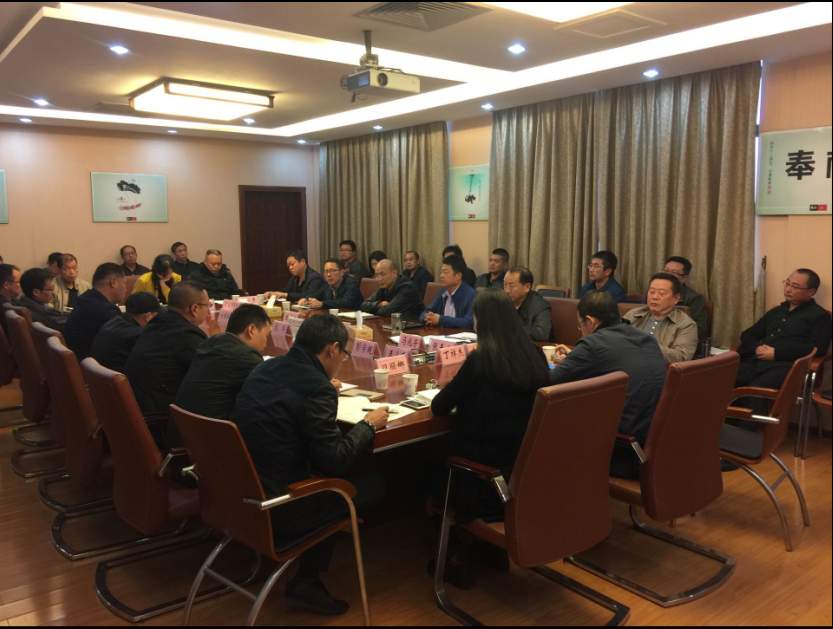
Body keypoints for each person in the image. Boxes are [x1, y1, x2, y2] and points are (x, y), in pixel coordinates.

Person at [232, 315, 389, 616]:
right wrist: (367, 425)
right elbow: (335, 460)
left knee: (329, 476)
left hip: (239, 494)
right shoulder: (318, 388)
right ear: (332, 349)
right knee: (370, 484)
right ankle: (306, 580)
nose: (343, 361)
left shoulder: (264, 368)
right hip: (280, 506)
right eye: (344, 354)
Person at [430, 290, 550, 586]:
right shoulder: (534, 355)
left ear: (481, 322)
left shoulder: (481, 361)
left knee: (429, 464)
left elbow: (439, 406)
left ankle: (456, 554)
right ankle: (489, 550)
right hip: (521, 466)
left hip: (478, 473)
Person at [550, 291, 666, 480]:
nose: (580, 330)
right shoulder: (646, 339)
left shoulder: (593, 344)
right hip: (656, 447)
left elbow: (549, 382)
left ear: (590, 321)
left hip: (621, 452)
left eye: (580, 325)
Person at [125, 282, 210, 427]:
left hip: (138, 412)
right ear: (194, 309)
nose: (209, 311)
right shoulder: (186, 335)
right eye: (207, 306)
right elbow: (211, 371)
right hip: (162, 420)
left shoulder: (156, 323)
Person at [737, 269, 831, 390]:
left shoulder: (820, 316)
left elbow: (817, 349)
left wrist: (777, 353)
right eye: (787, 283)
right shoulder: (776, 311)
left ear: (811, 292)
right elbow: (747, 334)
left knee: (754, 390)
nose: (788, 289)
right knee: (722, 380)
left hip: (786, 366)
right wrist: (757, 348)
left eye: (795, 286)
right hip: (755, 361)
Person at [175, 304, 270, 421]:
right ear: (251, 330)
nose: (266, 343)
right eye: (266, 335)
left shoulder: (210, 343)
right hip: (213, 429)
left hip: (182, 425)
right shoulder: (246, 357)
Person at [623, 272, 698, 363]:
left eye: (661, 293)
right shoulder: (633, 314)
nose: (654, 297)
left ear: (676, 298)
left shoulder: (686, 325)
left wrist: (647, 345)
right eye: (652, 292)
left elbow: (681, 357)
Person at [64, 263, 127, 359]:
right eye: (124, 283)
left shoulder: (84, 299)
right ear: (113, 283)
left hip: (81, 360)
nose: (126, 288)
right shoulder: (107, 311)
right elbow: (123, 345)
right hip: (93, 364)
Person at [90, 292, 161, 373]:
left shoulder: (113, 322)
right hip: (121, 378)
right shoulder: (137, 335)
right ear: (148, 316)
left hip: (101, 376)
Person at [663, 256, 709, 345]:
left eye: (674, 273)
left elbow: (699, 330)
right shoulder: (651, 293)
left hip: (677, 343)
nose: (667, 276)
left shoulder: (695, 298)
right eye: (666, 271)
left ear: (684, 278)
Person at [422, 255, 476, 330]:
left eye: (445, 272)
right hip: (442, 334)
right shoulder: (443, 291)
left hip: (461, 336)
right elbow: (426, 311)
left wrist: (441, 320)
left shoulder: (470, 294)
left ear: (458, 276)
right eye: (441, 272)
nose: (441, 276)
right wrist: (427, 317)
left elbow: (468, 322)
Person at [503, 267, 551, 341]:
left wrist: (510, 328)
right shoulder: (503, 301)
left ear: (527, 287)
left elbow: (541, 334)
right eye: (505, 285)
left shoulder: (539, 305)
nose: (507, 291)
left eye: (511, 286)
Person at [17, 268, 67, 332]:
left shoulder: (24, 302)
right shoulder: (35, 315)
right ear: (36, 292)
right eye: (50, 290)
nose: (54, 293)